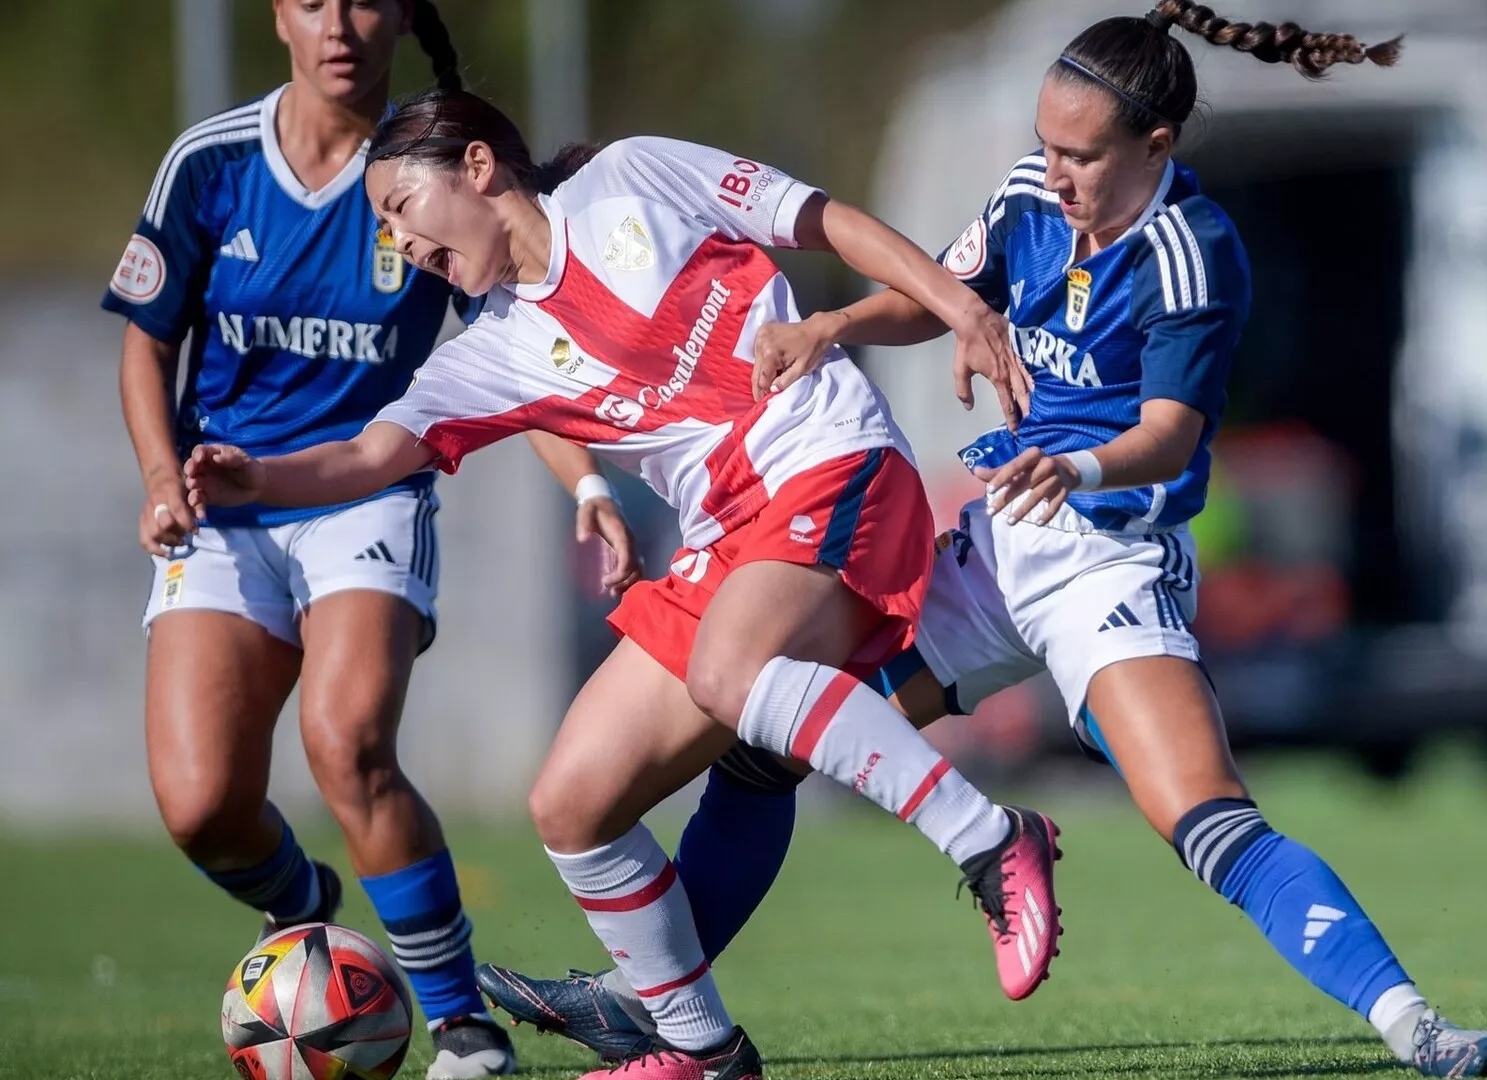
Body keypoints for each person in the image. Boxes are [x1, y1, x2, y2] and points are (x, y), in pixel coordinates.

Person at [478, 5, 1487, 1077]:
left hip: (1107, 567)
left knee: (1206, 823)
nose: (1054, 173)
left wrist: (1079, 464)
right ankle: (659, 1006)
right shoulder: (1030, 197)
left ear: (1155, 149)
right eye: (1047, 145)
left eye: (1081, 155)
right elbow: (939, 296)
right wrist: (831, 326)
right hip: (995, 547)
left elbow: (1168, 439)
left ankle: (1419, 1029)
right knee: (766, 747)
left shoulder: (1193, 254)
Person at [184, 86, 1065, 1080]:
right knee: (572, 803)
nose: (396, 241)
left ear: (479, 168)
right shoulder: (493, 351)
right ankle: (701, 1053)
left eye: (398, 207)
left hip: (829, 462)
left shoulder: (630, 176)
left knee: (733, 673)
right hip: (724, 538)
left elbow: (827, 220)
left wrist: (962, 309)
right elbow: (367, 455)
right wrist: (256, 478)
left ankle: (990, 840)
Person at [105, 3, 637, 1076]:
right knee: (204, 807)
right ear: (276, 17)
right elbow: (143, 348)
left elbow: (515, 358)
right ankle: (304, 905)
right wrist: (164, 480)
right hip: (225, 503)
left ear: (401, 16)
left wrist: (584, 481)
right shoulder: (210, 164)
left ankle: (464, 1030)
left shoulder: (423, 175)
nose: (338, 23)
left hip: (367, 499)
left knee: (347, 742)